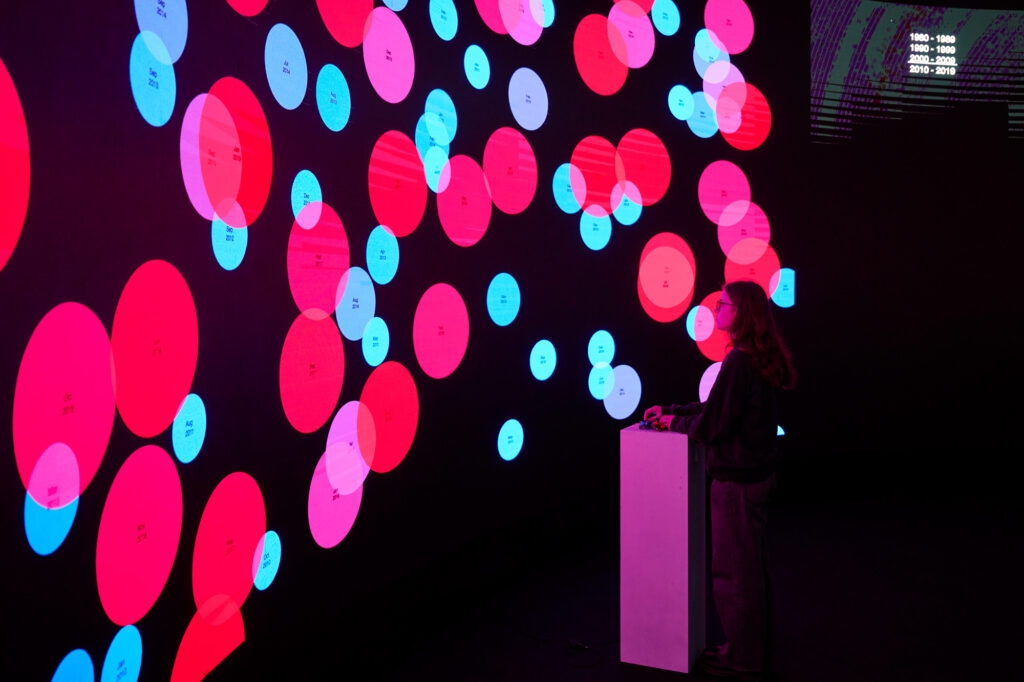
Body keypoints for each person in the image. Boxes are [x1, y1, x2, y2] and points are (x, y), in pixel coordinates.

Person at [644, 280, 795, 681]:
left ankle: (742, 660)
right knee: (750, 571)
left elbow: (713, 423)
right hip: (756, 480)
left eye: (723, 304)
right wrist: (675, 411)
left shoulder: (739, 362)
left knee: (733, 576)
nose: (716, 309)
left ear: (740, 313)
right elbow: (719, 407)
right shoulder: (756, 358)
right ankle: (750, 651)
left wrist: (671, 422)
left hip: (736, 486)